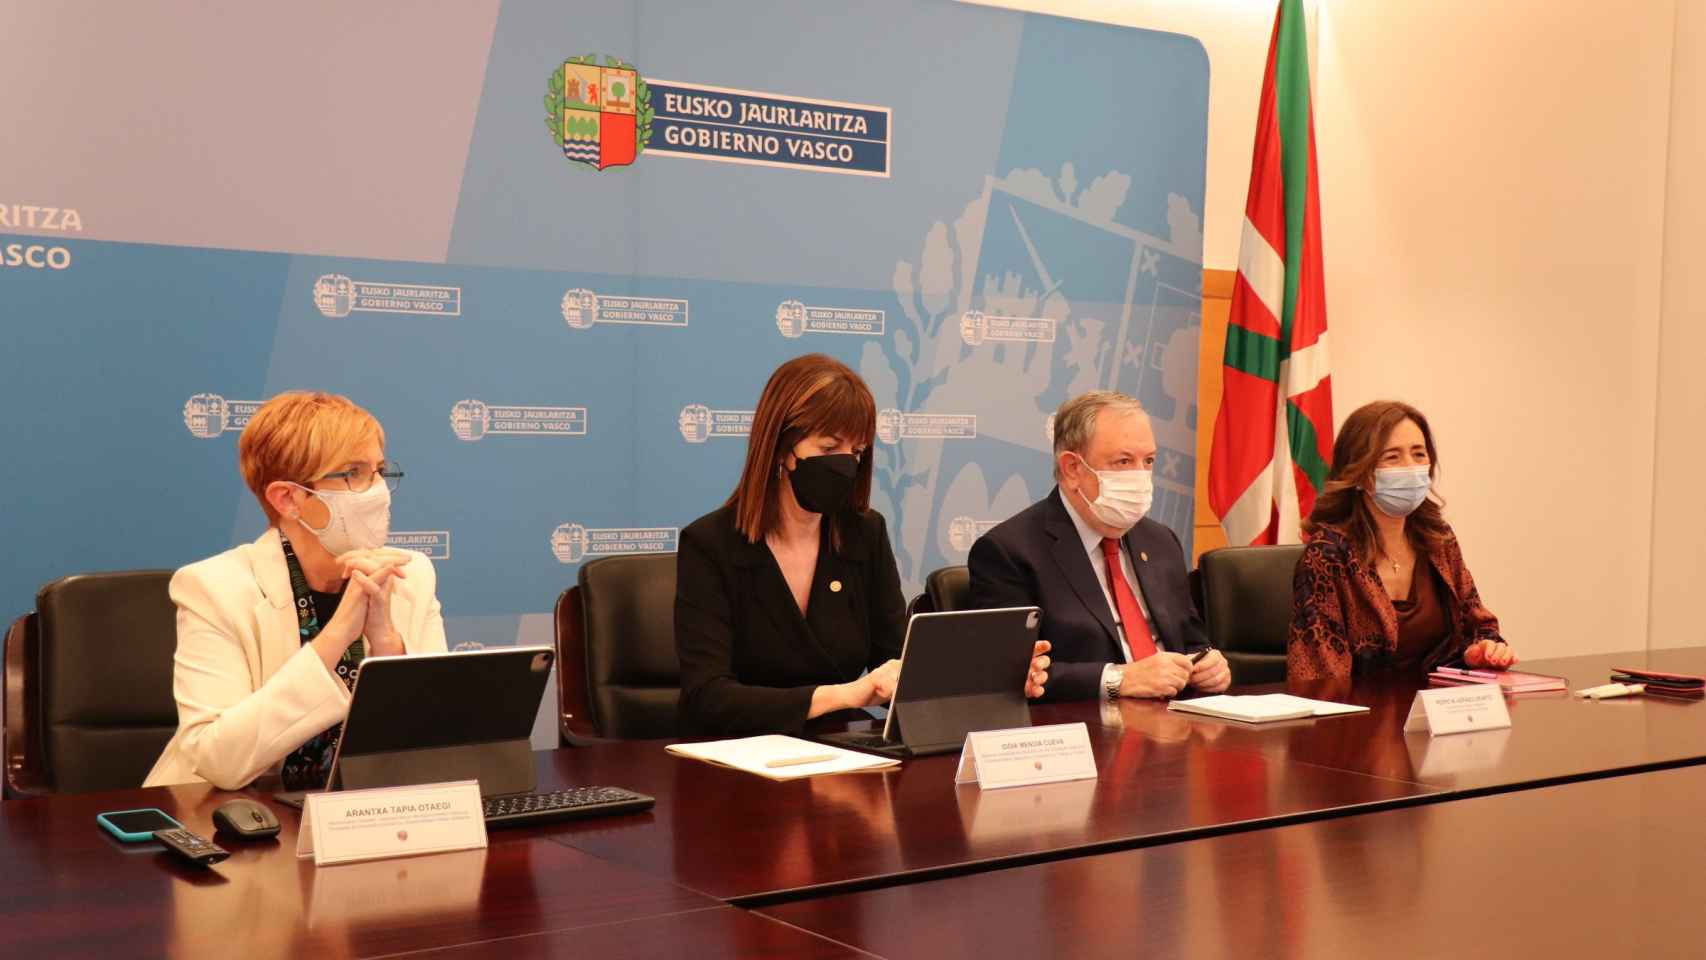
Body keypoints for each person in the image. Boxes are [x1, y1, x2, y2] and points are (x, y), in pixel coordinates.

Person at [675, 354, 1050, 736]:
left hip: (840, 755)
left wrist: (993, 681)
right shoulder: (710, 544)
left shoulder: (864, 533)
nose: (844, 466)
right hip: (735, 759)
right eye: (827, 449)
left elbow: (897, 666)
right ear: (780, 449)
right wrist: (847, 695)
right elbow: (708, 698)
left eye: (855, 452)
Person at [144, 391, 446, 790]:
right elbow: (217, 761)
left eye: (378, 471)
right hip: (229, 819)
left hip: (367, 817)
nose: (377, 491)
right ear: (288, 498)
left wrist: (387, 645)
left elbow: (440, 744)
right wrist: (336, 636)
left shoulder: (411, 575)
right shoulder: (214, 588)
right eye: (353, 473)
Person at [969, 391, 1230, 702]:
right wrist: (1118, 679)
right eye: (1123, 461)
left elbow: (1193, 642)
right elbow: (1010, 675)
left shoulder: (1161, 541)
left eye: (1148, 461)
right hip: (1086, 731)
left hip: (1175, 722)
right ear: (1072, 469)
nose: (1140, 477)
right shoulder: (1009, 551)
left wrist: (1210, 664)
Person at [1288, 400, 1515, 680]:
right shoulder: (1328, 554)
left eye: (1419, 454)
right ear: (1358, 472)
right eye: (1392, 457)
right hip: (1362, 717)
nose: (1410, 468)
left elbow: (1477, 624)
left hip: (1441, 712)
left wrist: (1483, 650)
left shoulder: (1438, 540)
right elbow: (1320, 678)